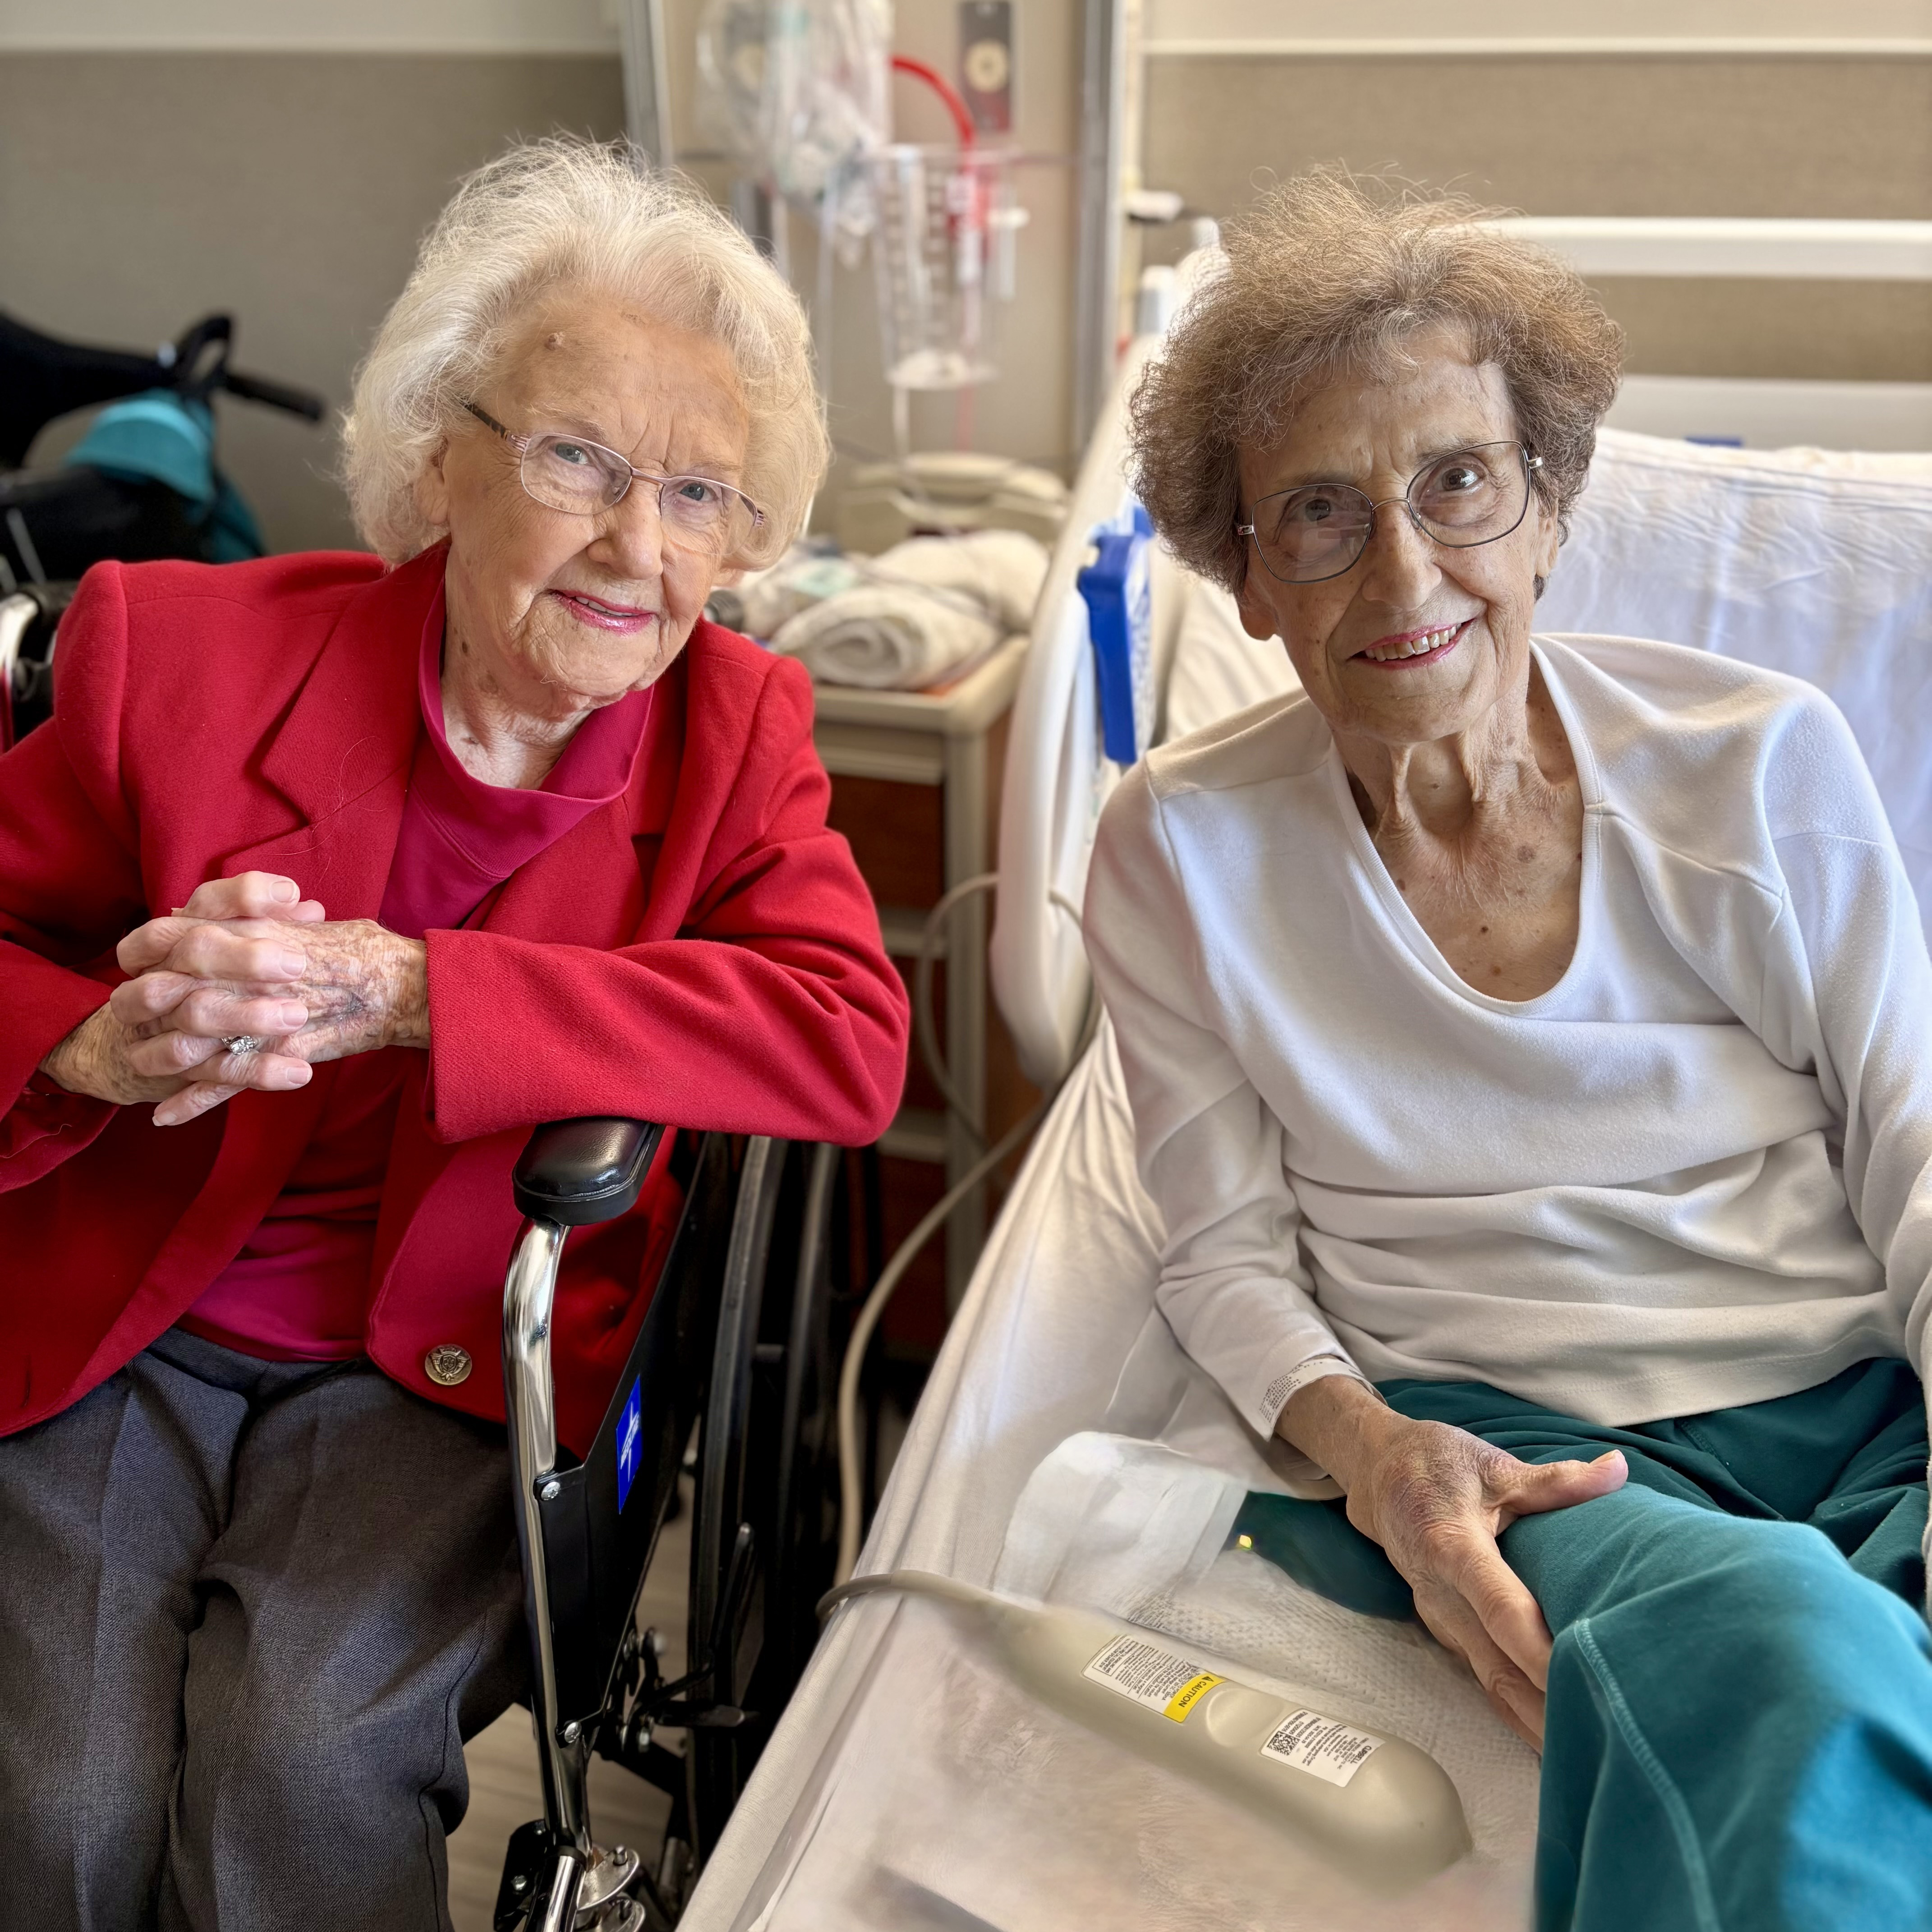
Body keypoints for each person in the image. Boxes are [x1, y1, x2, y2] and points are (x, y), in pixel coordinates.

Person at [0, 139, 909, 1930]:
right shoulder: (168, 652)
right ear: (440, 451)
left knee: (298, 1758)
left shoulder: (736, 730)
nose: (638, 546)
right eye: (577, 459)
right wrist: (90, 1041)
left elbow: (844, 1038)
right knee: (60, 1787)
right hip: (132, 1306)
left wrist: (419, 994)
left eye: (702, 496)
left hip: (439, 1360)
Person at [1086, 171, 1932, 1932]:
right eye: (1318, 511)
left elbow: (1916, 1144)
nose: (1406, 571)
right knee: (1797, 1654)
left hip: (1864, 1411)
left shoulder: (1758, 761)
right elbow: (1226, 1253)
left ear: (1548, 507)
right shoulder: (1180, 848)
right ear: (1247, 577)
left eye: (1457, 482)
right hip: (1527, 1443)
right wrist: (1375, 1457)